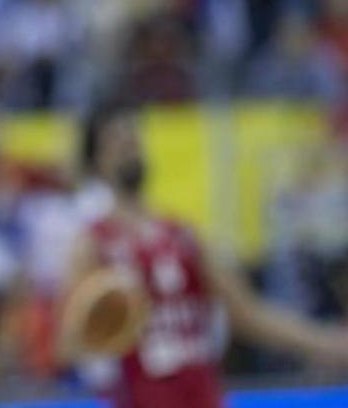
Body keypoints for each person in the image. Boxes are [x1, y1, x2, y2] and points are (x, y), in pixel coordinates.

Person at [57, 102, 348, 408]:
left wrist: (327, 343)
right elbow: (68, 346)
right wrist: (100, 323)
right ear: (95, 161)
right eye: (116, 143)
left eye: (133, 139)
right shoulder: (92, 243)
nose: (130, 149)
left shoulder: (182, 233)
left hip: (202, 397)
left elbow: (248, 312)